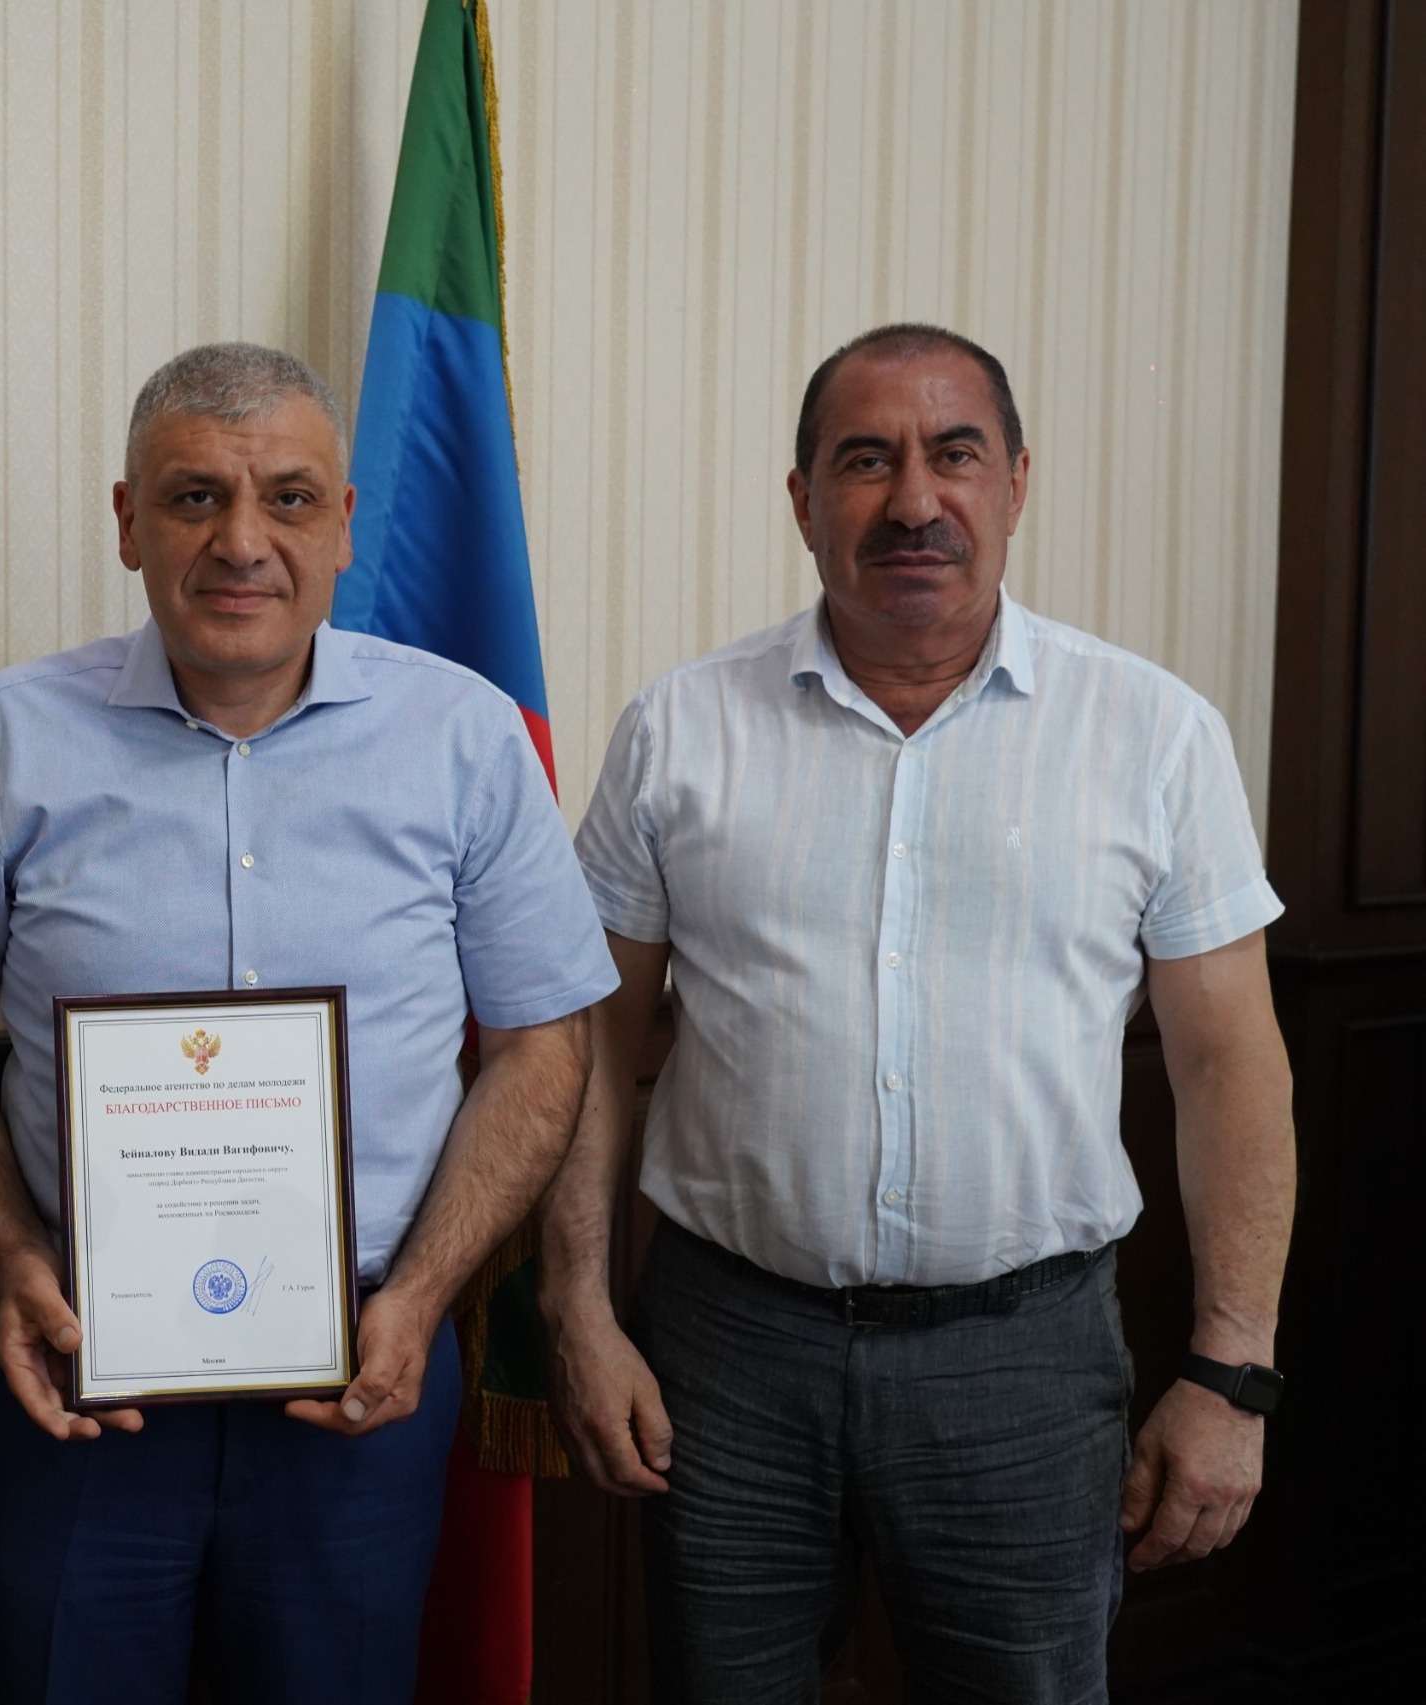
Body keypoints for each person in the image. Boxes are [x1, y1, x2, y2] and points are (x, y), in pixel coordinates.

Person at [538, 322, 1297, 1702]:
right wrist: (578, 1307)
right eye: (865, 460)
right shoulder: (678, 730)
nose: (913, 500)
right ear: (802, 498)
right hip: (727, 1354)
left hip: (1024, 1366)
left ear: (1016, 482)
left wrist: (1231, 1370)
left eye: (954, 455)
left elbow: (1229, 1064)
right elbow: (595, 1045)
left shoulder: (1155, 735)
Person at [0, 343, 616, 1704]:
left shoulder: (464, 737)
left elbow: (542, 1046)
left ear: (344, 523)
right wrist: (15, 1252)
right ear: (127, 521)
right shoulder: (6, 739)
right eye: (195, 497)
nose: (242, 542)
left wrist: (425, 1296)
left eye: (289, 497)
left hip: (366, 1373)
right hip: (79, 1374)